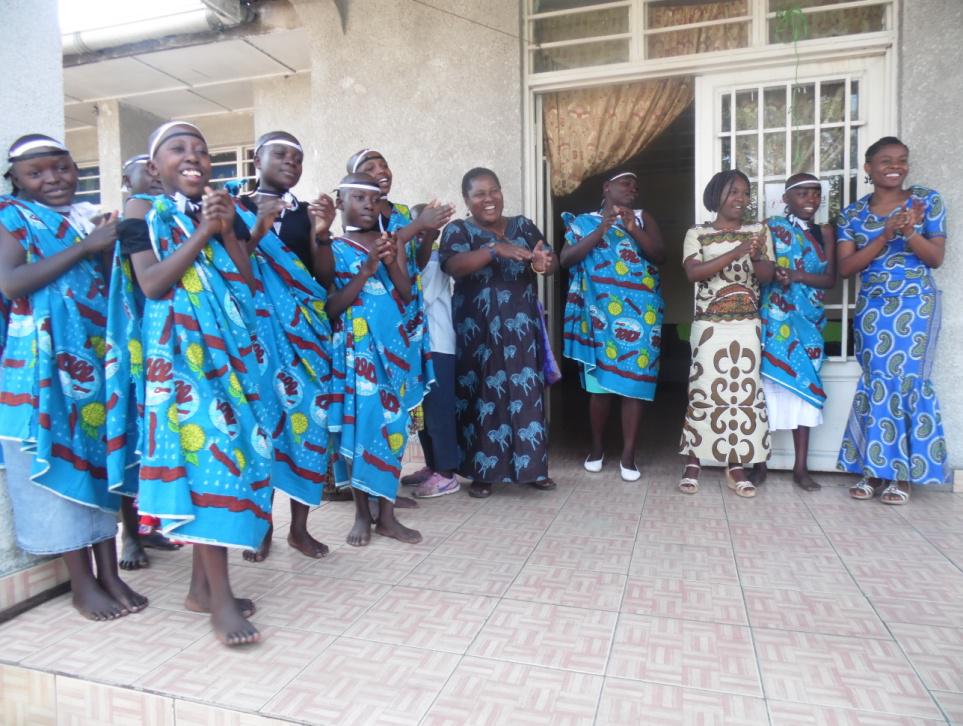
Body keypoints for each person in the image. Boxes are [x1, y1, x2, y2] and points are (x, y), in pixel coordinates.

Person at [115, 121, 324, 645]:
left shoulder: (218, 209)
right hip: (183, 363)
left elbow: (247, 280)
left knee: (235, 456)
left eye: (202, 151)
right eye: (178, 149)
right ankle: (221, 602)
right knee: (212, 462)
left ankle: (201, 590)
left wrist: (230, 231)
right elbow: (153, 282)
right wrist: (206, 233)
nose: (193, 158)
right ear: (154, 164)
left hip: (230, 355)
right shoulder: (141, 213)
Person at [0, 134, 147, 620]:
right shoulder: (10, 218)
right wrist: (86, 247)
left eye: (61, 168)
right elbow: (12, 282)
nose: (53, 180)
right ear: (15, 180)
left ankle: (110, 574)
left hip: (90, 362)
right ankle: (81, 583)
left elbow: (107, 284)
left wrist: (104, 246)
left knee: (99, 468)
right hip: (42, 369)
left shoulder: (85, 217)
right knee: (58, 474)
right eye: (36, 173)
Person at [232, 130, 338, 560]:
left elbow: (323, 279)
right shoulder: (234, 210)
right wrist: (257, 227)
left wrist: (322, 231)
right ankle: (261, 529)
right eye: (281, 154)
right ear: (257, 159)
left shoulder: (305, 214)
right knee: (258, 431)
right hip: (253, 337)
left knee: (305, 426)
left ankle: (299, 529)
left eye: (297, 157)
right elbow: (230, 265)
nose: (291, 162)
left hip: (302, 342)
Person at [837, 136, 949, 505]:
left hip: (915, 305)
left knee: (907, 383)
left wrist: (909, 232)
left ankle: (903, 475)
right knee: (877, 382)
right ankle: (872, 469)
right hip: (873, 307)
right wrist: (885, 236)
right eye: (885, 160)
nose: (895, 166)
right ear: (868, 168)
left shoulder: (926, 202)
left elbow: (935, 258)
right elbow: (846, 268)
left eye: (902, 160)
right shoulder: (852, 214)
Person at [439, 167, 557, 498]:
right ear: (467, 200)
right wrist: (494, 250)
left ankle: (534, 468)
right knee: (481, 397)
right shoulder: (458, 230)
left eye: (494, 191)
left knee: (527, 396)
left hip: (521, 330)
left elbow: (548, 260)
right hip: (477, 335)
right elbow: (453, 267)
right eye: (479, 194)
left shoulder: (523, 226)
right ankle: (482, 473)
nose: (489, 199)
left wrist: (543, 263)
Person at [326, 173, 427, 546]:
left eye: (374, 198)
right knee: (357, 429)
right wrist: (365, 272)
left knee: (393, 429)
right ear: (341, 202)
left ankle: (387, 516)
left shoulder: (391, 240)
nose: (369, 204)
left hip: (393, 349)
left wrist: (390, 264)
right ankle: (360, 514)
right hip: (354, 355)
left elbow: (405, 292)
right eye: (359, 197)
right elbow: (330, 307)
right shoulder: (331, 248)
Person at [560, 171, 666, 481]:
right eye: (625, 183)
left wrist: (632, 228)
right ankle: (596, 448)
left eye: (636, 184)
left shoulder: (643, 218)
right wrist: (600, 231)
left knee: (634, 385)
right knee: (600, 389)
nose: (633, 187)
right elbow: (566, 259)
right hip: (599, 314)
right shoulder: (584, 222)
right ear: (607, 188)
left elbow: (660, 255)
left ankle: (629, 455)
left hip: (642, 316)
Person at [678, 169, 774, 497]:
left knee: (742, 397)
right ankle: (694, 462)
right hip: (709, 325)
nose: (741, 199)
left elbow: (765, 276)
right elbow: (693, 272)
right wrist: (736, 251)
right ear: (717, 194)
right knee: (703, 392)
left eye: (745, 193)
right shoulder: (697, 233)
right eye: (734, 192)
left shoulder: (759, 231)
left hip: (747, 324)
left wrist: (757, 252)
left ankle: (736, 466)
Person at [116, 153, 181, 571]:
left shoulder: (172, 216)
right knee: (132, 435)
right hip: (133, 343)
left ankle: (151, 525)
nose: (155, 177)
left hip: (169, 342)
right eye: (146, 168)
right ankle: (129, 535)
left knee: (161, 435)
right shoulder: (130, 218)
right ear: (128, 179)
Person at [750, 173, 836, 491]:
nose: (811, 199)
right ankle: (760, 465)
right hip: (775, 320)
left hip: (809, 323)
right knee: (766, 392)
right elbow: (760, 268)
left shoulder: (825, 231)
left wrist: (795, 275)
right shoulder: (771, 227)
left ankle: (801, 469)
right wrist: (777, 273)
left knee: (807, 392)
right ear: (787, 198)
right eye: (802, 194)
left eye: (815, 193)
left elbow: (829, 280)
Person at [400, 203, 459, 498]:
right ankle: (432, 465)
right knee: (421, 412)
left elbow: (417, 296)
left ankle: (447, 473)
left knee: (439, 412)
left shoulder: (433, 259)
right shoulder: (410, 260)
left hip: (438, 347)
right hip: (418, 351)